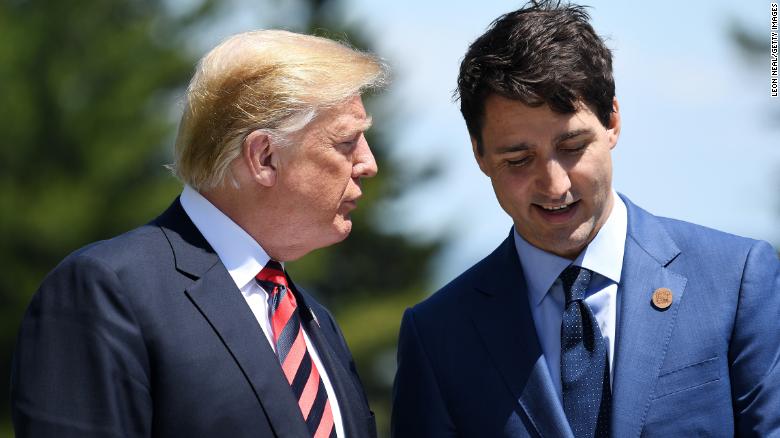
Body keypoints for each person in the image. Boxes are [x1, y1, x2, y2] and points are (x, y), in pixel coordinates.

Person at [391, 2, 780, 437]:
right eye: (518, 160)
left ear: (612, 121)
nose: (554, 184)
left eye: (573, 145)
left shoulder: (736, 282)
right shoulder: (439, 335)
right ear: (479, 153)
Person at [11, 29, 387, 437]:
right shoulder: (106, 291)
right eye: (347, 141)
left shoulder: (313, 320)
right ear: (264, 157)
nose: (368, 163)